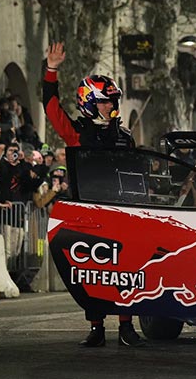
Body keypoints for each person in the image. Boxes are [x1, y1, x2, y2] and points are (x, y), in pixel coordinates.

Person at [42, 41, 143, 347]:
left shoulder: (125, 136)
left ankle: (126, 326)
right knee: (92, 271)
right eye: (105, 102)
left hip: (122, 211)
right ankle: (96, 327)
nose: (111, 106)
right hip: (88, 213)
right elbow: (51, 108)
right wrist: (51, 70)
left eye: (113, 101)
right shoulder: (77, 133)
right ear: (89, 102)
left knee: (126, 268)